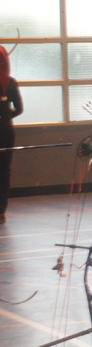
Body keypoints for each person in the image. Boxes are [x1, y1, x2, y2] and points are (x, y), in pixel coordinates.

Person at [0, 45, 23, 226]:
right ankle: (1, 213)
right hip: (6, 131)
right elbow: (19, 109)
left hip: (5, 131)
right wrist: (6, 118)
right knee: (4, 172)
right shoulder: (11, 81)